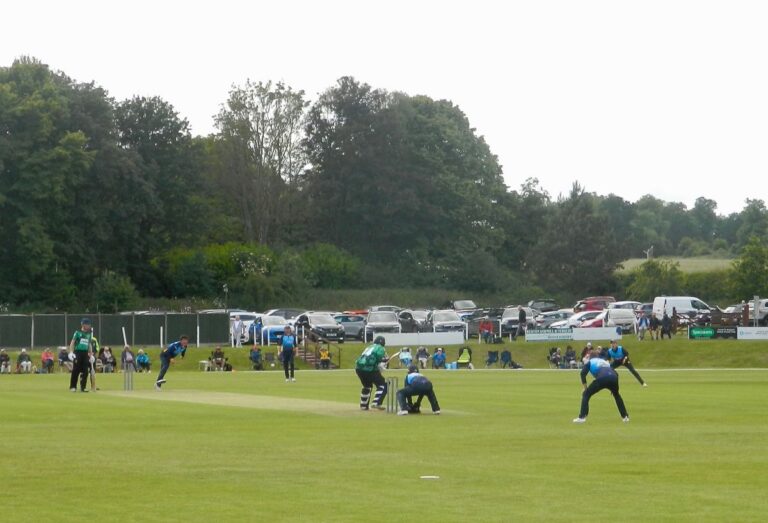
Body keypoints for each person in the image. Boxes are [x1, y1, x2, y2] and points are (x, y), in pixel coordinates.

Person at [573, 349, 629, 423]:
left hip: (602, 378)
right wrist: (614, 388)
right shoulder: (604, 362)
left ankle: (582, 417)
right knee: (617, 395)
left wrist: (585, 388)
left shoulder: (590, 362)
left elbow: (582, 373)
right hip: (614, 377)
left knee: (586, 394)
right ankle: (625, 417)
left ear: (590, 357)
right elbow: (615, 373)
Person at [355, 335, 390, 410]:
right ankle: (376, 403)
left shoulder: (369, 347)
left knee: (367, 385)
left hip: (358, 369)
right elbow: (379, 359)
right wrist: (384, 361)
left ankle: (363, 405)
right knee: (383, 384)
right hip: (369, 369)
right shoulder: (380, 348)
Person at [69, 318, 95, 392]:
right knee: (76, 369)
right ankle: (73, 386)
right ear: (83, 325)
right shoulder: (77, 333)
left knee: (85, 370)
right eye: (87, 325)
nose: (89, 326)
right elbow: (72, 342)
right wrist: (71, 352)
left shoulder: (89, 334)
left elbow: (89, 344)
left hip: (85, 353)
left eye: (89, 325)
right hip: (78, 352)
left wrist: (91, 354)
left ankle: (83, 387)